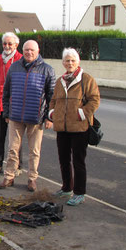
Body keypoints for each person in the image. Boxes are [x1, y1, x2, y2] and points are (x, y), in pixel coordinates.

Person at [0, 40, 55, 192]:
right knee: (12, 149)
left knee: (34, 151)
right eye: (26, 50)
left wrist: (49, 117)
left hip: (36, 118)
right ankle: (9, 177)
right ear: (22, 50)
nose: (29, 52)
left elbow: (51, 97)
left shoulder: (47, 70)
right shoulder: (14, 67)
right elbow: (6, 93)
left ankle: (32, 179)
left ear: (38, 51)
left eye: (32, 50)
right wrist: (7, 113)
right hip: (15, 117)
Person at [49, 48, 100, 206]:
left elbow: (95, 100)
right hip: (62, 128)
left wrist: (82, 113)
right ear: (63, 63)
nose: (69, 63)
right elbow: (53, 100)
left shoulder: (86, 79)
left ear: (78, 62)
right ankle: (66, 188)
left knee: (78, 161)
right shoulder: (60, 81)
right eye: (67, 60)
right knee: (63, 159)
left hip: (79, 127)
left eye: (72, 60)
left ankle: (79, 192)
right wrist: (52, 113)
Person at [0, 32, 23, 176]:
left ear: (16, 45)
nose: (7, 46)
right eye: (5, 43)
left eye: (10, 44)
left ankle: (17, 166)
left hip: (15, 106)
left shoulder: (20, 60)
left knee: (15, 139)